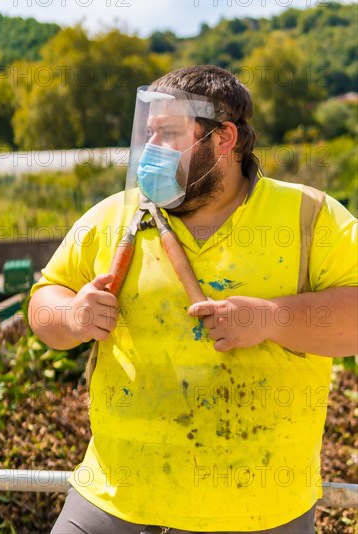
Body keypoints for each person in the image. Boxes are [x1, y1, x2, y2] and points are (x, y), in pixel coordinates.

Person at [29, 65, 357, 534]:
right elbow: (44, 303)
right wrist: (72, 314)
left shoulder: (310, 217)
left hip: (257, 514)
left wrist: (270, 319)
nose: (151, 153)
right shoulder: (116, 214)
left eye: (170, 134)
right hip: (110, 500)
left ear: (224, 139)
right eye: (150, 134)